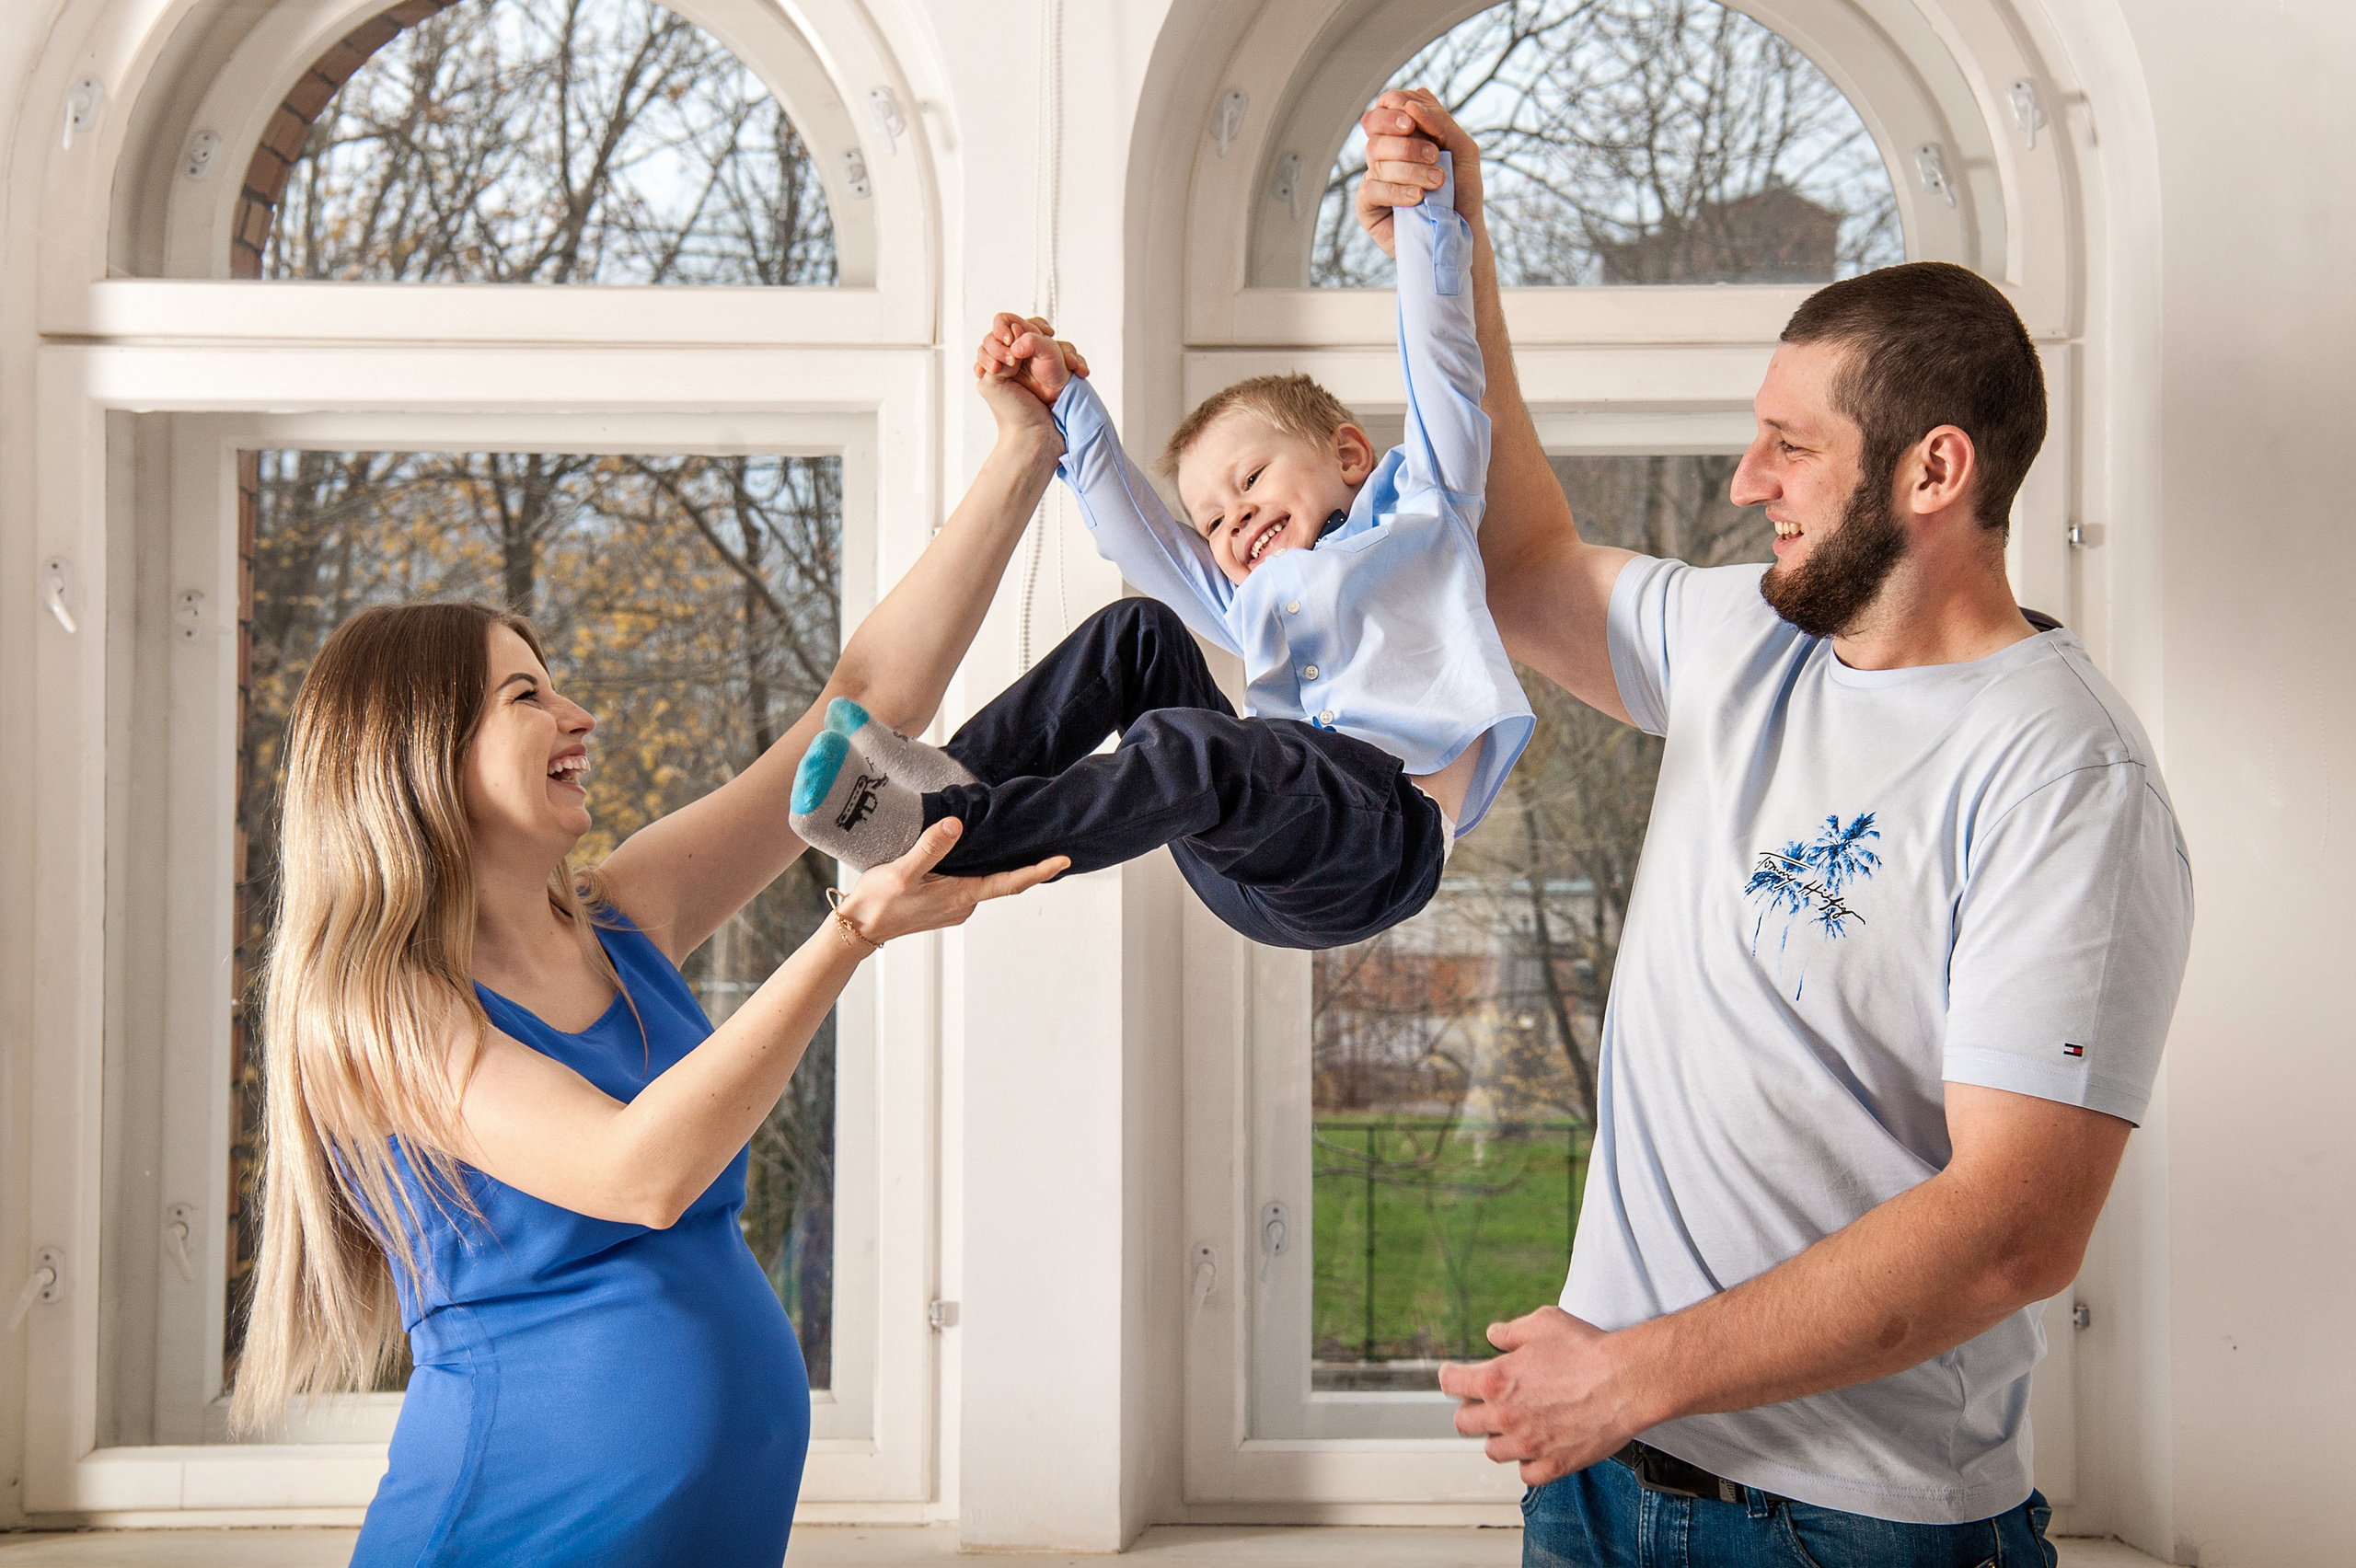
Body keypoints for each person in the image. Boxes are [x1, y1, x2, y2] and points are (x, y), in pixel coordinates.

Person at [1353, 91, 2193, 1565]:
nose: (1749, 483)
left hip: (1849, 1525)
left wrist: (1631, 1375)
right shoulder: (1748, 640)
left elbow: (2015, 1229)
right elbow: (1518, 557)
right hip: (1600, 1481)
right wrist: (1450, 256)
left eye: (1790, 446)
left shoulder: (2064, 777)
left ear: (1934, 472)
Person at [231, 365, 1073, 1566]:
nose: (580, 714)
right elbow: (640, 1175)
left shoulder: (625, 915)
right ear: (422, 754)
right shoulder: (377, 1014)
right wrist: (846, 936)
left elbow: (863, 706)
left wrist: (1024, 454)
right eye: (528, 695)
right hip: (511, 1532)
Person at [788, 153, 1532, 952]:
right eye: (1211, 523)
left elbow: (1444, 372)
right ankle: (954, 776)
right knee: (1139, 633)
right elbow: (1138, 540)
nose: (1235, 520)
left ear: (1349, 455)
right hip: (1257, 851)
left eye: (1251, 480)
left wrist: (1425, 222)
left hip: (1377, 845)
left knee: (1197, 750)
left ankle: (943, 833)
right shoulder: (1254, 601)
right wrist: (1064, 400)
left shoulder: (1425, 513)